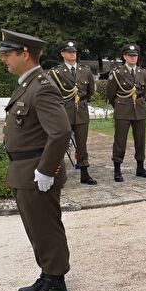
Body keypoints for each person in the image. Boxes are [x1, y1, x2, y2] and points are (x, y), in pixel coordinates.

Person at [0, 29, 72, 291]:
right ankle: (47, 272)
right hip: (24, 170)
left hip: (37, 171)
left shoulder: (42, 87)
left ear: (25, 54)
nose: (4, 59)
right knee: (35, 227)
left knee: (46, 226)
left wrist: (46, 169)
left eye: (8, 54)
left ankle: (56, 280)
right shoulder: (25, 85)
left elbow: (61, 131)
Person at [48, 40, 96, 185]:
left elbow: (90, 92)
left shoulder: (85, 71)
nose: (72, 54)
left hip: (80, 111)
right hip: (64, 112)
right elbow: (52, 94)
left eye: (74, 51)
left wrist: (79, 101)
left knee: (82, 144)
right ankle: (57, 174)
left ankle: (84, 173)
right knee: (60, 144)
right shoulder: (55, 72)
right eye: (69, 52)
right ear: (62, 54)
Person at [106, 44, 146, 181]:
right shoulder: (117, 73)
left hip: (139, 110)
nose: (133, 58)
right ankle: (117, 169)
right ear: (124, 56)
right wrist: (120, 106)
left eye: (135, 55)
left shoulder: (142, 73)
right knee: (120, 140)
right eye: (130, 55)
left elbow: (144, 91)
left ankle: (140, 167)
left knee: (140, 139)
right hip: (123, 110)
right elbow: (111, 94)